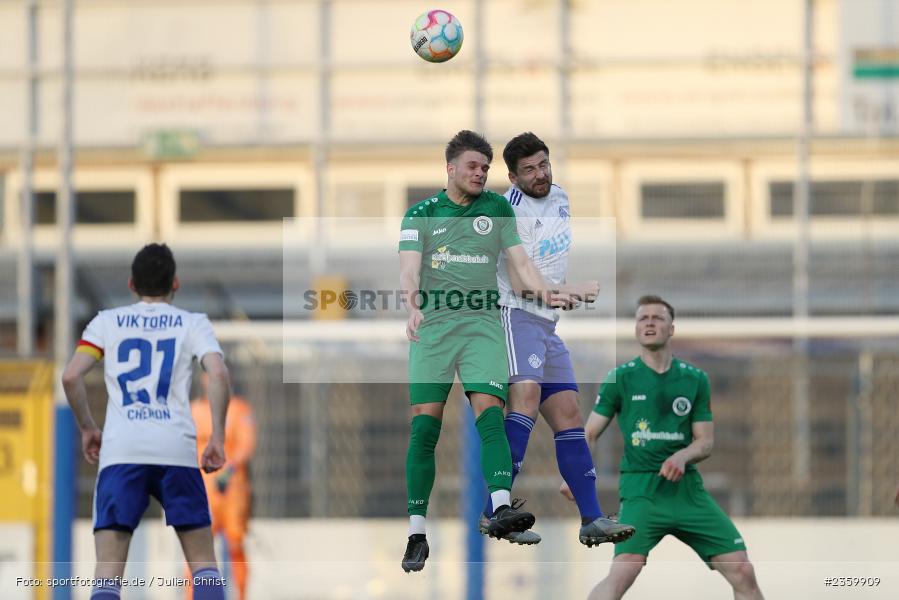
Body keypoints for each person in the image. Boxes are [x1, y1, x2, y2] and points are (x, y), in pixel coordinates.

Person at [398, 129, 597, 572]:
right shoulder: (420, 214)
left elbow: (522, 264)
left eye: (485, 168)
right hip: (435, 329)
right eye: (472, 166)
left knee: (491, 414)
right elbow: (409, 270)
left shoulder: (498, 208)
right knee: (424, 429)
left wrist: (553, 295)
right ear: (450, 168)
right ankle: (416, 533)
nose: (479, 173)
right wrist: (412, 307)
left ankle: (501, 507)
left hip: (482, 327)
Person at [479, 132, 635, 547]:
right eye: (529, 169)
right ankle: (494, 511)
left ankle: (591, 519)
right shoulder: (509, 211)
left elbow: (548, 261)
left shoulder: (561, 197)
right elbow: (518, 282)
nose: (540, 174)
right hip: (514, 314)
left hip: (546, 323)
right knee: (526, 398)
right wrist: (566, 292)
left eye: (543, 164)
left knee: (568, 411)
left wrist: (557, 296)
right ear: (513, 177)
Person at [566, 295, 764, 600]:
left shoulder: (695, 379)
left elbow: (705, 441)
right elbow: (589, 433)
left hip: (686, 491)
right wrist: (575, 474)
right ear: (636, 329)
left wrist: (683, 456)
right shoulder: (620, 378)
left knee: (742, 570)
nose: (649, 323)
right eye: (642, 318)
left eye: (657, 318)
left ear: (671, 328)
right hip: (642, 491)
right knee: (623, 573)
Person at [61, 243, 229, 600]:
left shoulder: (106, 322)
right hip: (176, 450)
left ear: (132, 284)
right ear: (175, 283)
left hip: (122, 452)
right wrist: (217, 436)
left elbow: (71, 376)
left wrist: (88, 427)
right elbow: (218, 374)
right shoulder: (193, 323)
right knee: (203, 564)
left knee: (108, 571)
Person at [188, 375, 257, 600]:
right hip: (202, 490)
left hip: (232, 489)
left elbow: (246, 444)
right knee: (197, 550)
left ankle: (240, 595)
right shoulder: (194, 410)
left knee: (235, 543)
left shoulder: (239, 409)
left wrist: (230, 470)